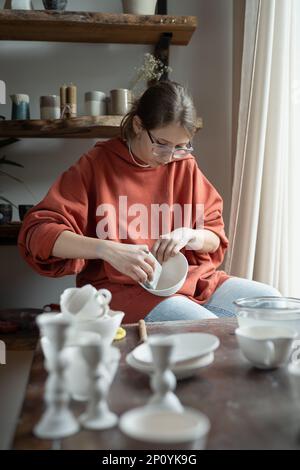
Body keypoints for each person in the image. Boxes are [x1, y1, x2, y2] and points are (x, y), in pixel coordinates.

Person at [17, 81, 281, 323]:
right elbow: (37, 234)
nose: (169, 157)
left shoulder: (183, 165)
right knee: (204, 327)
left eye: (181, 146)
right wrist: (106, 250)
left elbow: (215, 237)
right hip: (123, 291)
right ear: (138, 126)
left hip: (195, 281)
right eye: (162, 144)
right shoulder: (96, 166)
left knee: (274, 305)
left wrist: (190, 236)